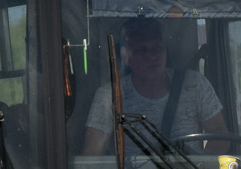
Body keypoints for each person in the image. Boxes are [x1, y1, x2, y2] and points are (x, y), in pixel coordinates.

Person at [82, 17, 225, 155]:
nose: (151, 55)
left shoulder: (195, 84)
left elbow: (221, 139)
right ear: (126, 56)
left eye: (157, 48)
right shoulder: (110, 96)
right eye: (142, 50)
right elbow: (92, 155)